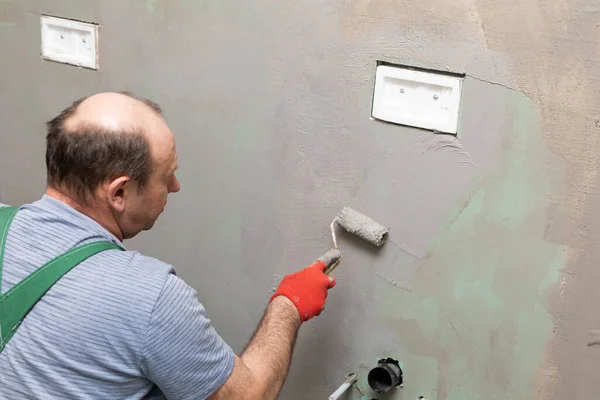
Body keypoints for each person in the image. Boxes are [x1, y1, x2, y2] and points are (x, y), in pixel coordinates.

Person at [0, 92, 336, 400]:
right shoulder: (149, 297)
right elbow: (247, 396)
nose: (175, 186)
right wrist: (288, 306)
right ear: (119, 194)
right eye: (165, 177)